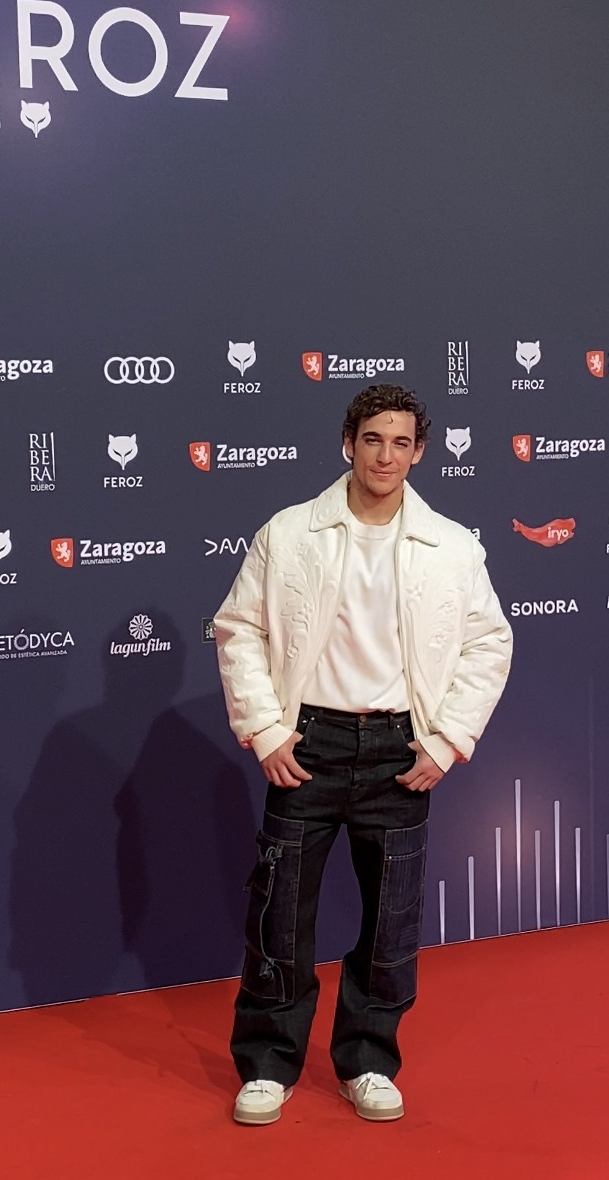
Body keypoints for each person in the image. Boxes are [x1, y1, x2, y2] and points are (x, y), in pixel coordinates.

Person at [214, 383, 513, 1126]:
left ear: (419, 452)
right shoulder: (290, 532)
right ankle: (268, 1064)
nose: (386, 455)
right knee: (280, 918)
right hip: (306, 744)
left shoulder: (452, 545)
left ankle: (369, 1059)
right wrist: (266, 729)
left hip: (399, 751)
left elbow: (489, 642)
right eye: (373, 439)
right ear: (348, 444)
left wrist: (447, 739)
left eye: (401, 442)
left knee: (392, 923)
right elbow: (240, 628)